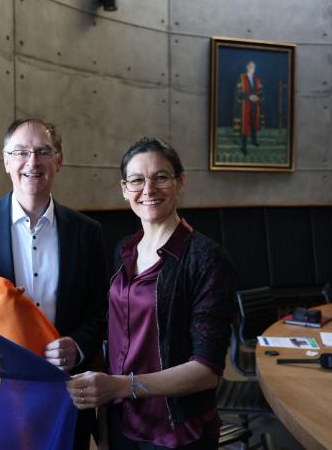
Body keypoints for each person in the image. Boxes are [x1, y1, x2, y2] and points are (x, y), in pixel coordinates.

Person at [66, 137, 235, 449]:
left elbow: (207, 371)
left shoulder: (205, 257)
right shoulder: (124, 250)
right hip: (122, 421)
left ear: (180, 182)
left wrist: (120, 387)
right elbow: (115, 343)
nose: (148, 189)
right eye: (137, 180)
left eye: (161, 177)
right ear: (124, 189)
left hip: (177, 431)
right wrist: (106, 418)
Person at [0, 118, 108, 450]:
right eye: (20, 152)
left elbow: (100, 312)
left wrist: (78, 346)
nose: (32, 162)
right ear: (6, 161)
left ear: (59, 160)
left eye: (43, 151)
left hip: (65, 394)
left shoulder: (87, 232)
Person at [234, 60, 264, 155]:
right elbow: (238, 92)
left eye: (254, 67)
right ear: (247, 67)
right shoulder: (241, 78)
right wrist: (249, 97)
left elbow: (261, 92)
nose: (252, 68)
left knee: (254, 124)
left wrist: (258, 97)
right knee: (245, 126)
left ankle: (254, 140)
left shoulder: (257, 79)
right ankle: (244, 146)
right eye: (251, 66)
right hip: (245, 106)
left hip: (255, 106)